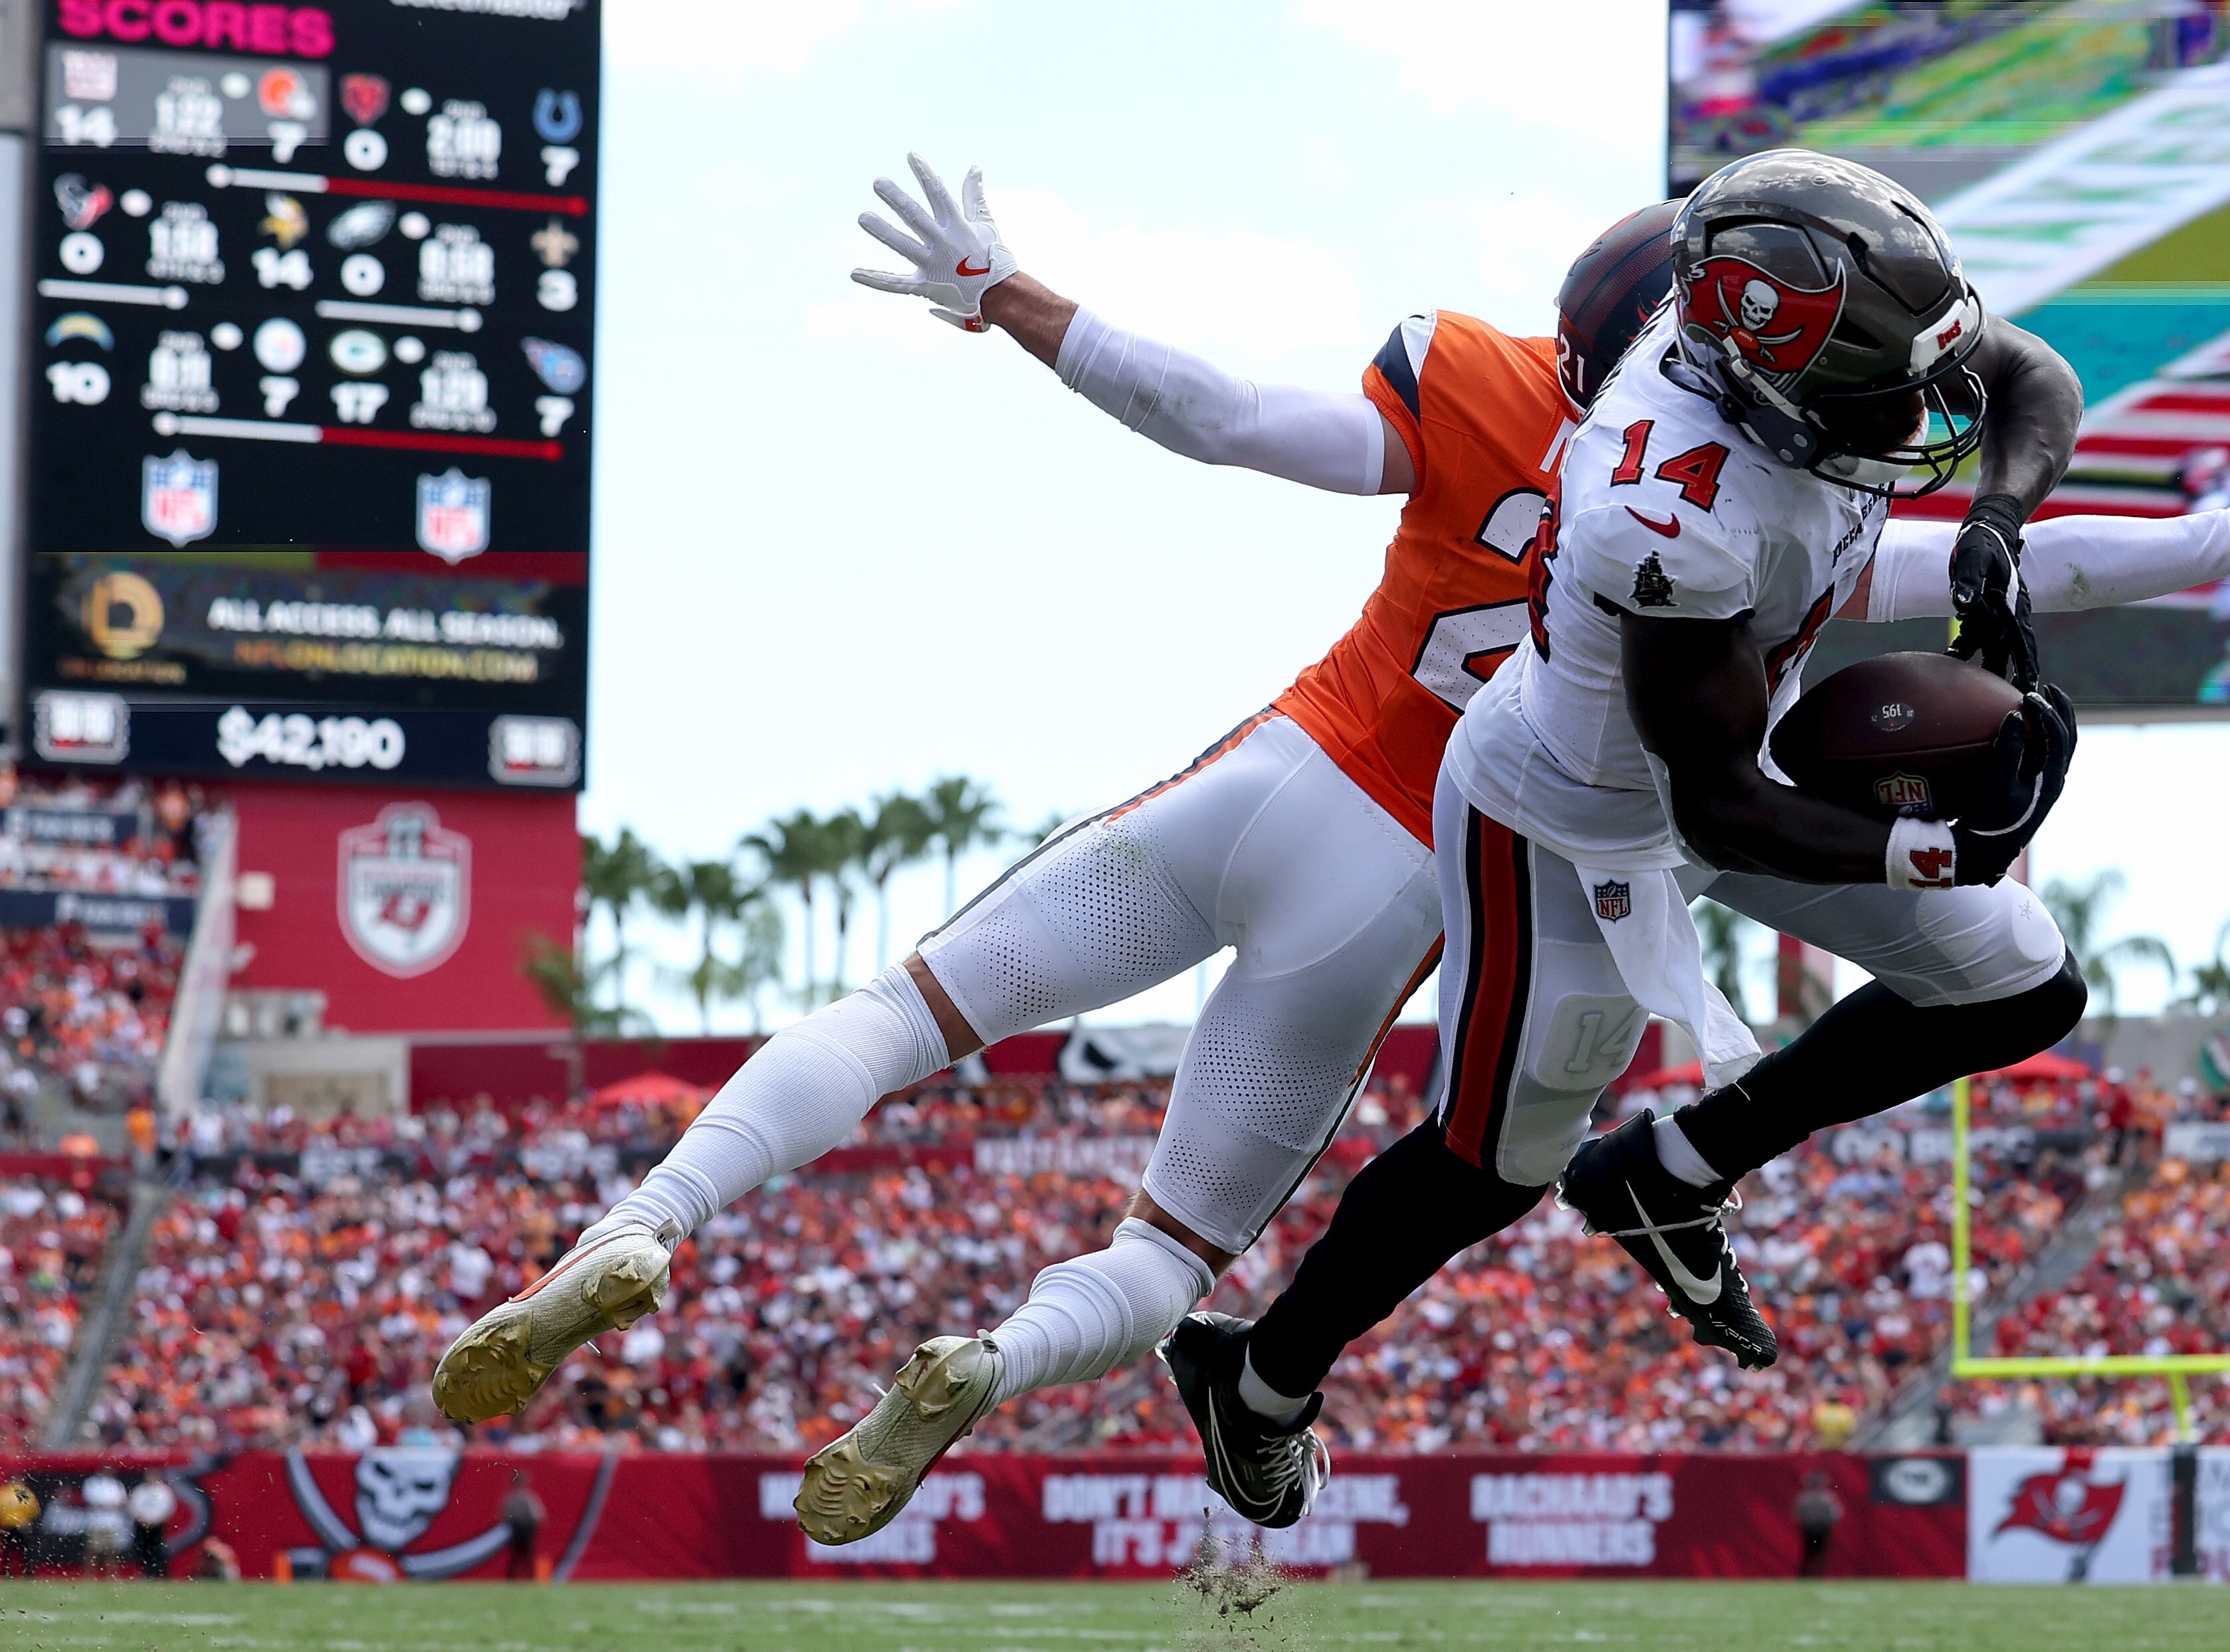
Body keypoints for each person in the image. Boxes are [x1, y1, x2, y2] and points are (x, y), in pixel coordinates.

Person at [1169, 149, 2230, 1526]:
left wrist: (2026, 528)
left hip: (1735, 749)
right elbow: (1712, 805)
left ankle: (1671, 1168)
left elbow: (2025, 375)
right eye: (1878, 390)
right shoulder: (1666, 504)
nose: (1914, 409)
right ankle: (1260, 1379)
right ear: (1765, 390)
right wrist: (1929, 851)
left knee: (2020, 985)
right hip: (1572, 820)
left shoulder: (1798, 342)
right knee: (1497, 1158)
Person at [433, 155, 1687, 1543]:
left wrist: (1005, 295)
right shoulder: (1740, 524)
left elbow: (1222, 420)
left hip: (1276, 779)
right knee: (1167, 1255)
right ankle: (990, 1361)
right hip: (1395, 895)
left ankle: (645, 1222)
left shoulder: (1485, 379)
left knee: (902, 1015)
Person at [128, 1469, 176, 1580]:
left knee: (157, 1549)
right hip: (142, 1525)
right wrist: (142, 1520)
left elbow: (168, 1509)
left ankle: (159, 1572)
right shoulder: (140, 1490)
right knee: (144, 1549)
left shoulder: (164, 1491)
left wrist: (156, 1521)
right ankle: (147, 1572)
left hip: (157, 1526)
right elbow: (133, 1507)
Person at [1793, 1469, 1842, 1578]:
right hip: (1816, 1529)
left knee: (1813, 1554)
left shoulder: (1806, 1498)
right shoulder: (1826, 1498)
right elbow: (1835, 1515)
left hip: (1814, 1529)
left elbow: (1797, 1515)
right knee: (1815, 1554)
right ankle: (1813, 1575)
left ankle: (1810, 1575)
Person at [81, 1467, 126, 1576]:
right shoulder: (92, 1483)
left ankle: (112, 1574)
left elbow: (122, 1503)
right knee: (92, 1549)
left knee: (112, 1551)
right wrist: (108, 1506)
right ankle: (89, 1574)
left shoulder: (117, 1485)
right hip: (96, 1522)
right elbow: (90, 1501)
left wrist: (107, 1506)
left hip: (113, 1523)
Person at [500, 1472, 544, 1580]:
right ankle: (515, 1578)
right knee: (516, 1555)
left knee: (527, 1555)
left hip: (527, 1528)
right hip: (516, 1528)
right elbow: (505, 1515)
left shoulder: (528, 1497)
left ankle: (529, 1577)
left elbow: (538, 1515)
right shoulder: (512, 1498)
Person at [0, 1475, 39, 1577]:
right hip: (22, 1526)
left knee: (7, 1552)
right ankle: (28, 1573)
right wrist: (28, 1521)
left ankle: (7, 1573)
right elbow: (34, 1510)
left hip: (8, 1526)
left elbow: (1, 1508)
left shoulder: (4, 1493)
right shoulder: (24, 1492)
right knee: (25, 1551)